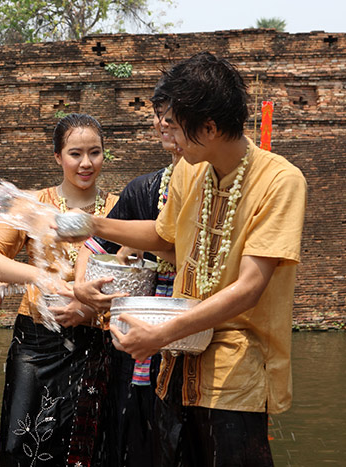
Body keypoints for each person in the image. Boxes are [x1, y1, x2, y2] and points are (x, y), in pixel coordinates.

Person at [70, 52, 307, 466]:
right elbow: (165, 238)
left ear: (210, 128)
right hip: (178, 360)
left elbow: (250, 287)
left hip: (236, 367)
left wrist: (161, 335)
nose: (168, 137)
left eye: (176, 127)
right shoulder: (189, 169)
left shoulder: (280, 181)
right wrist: (94, 225)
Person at [0, 113, 118, 466]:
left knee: (88, 448)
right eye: (75, 154)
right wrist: (39, 277)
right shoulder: (32, 206)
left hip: (96, 342)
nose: (86, 163)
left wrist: (89, 308)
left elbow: (135, 277)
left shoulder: (118, 208)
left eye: (95, 153)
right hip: (37, 342)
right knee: (21, 446)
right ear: (57, 157)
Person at [75, 81, 181, 466]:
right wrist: (81, 286)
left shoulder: (211, 186)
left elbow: (174, 242)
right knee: (133, 437)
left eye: (175, 119)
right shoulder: (143, 190)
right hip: (137, 334)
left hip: (192, 331)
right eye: (162, 118)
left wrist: (103, 228)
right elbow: (93, 248)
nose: (166, 126)